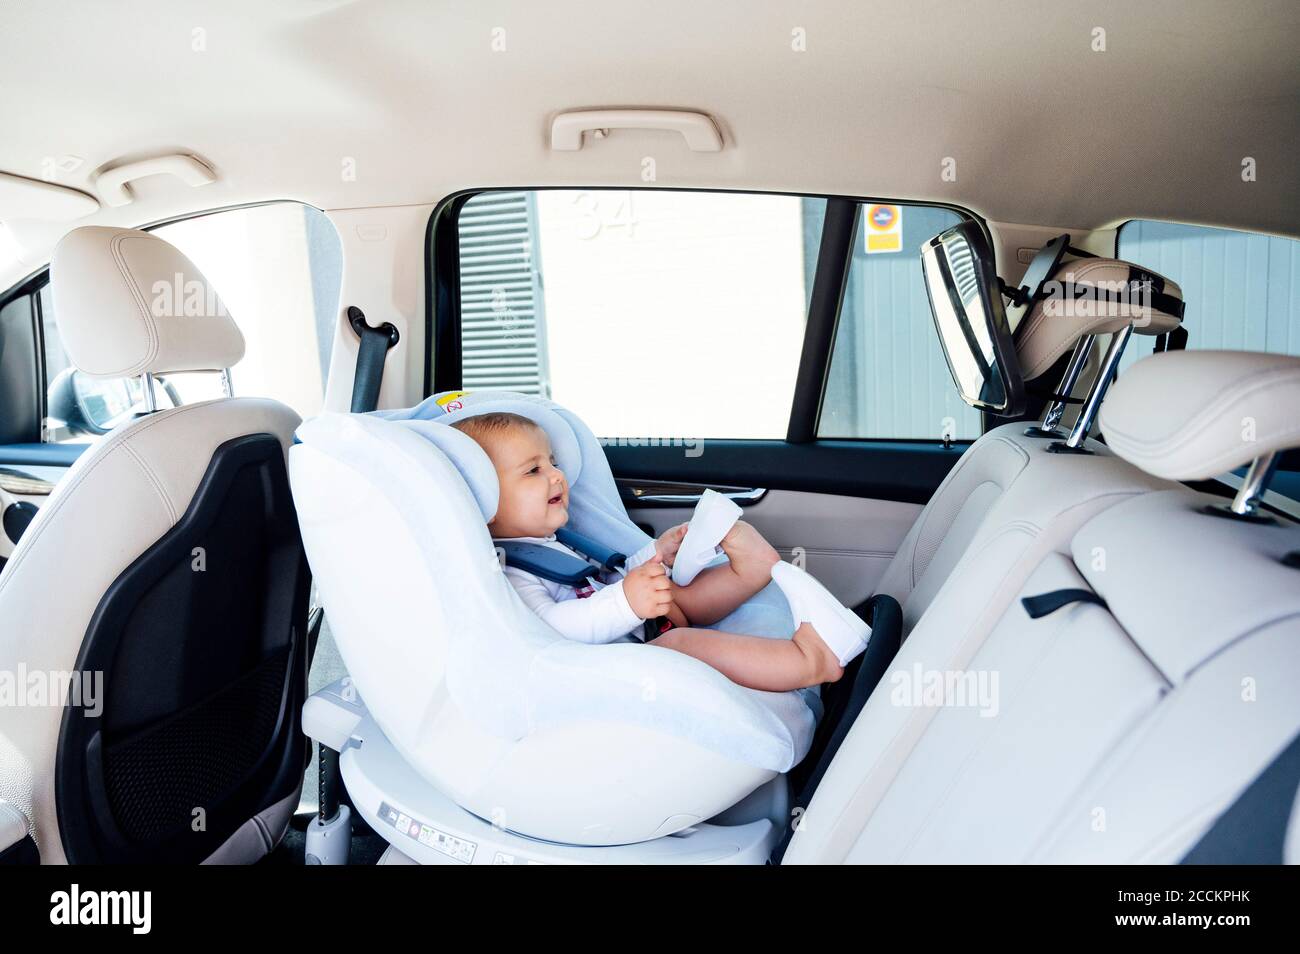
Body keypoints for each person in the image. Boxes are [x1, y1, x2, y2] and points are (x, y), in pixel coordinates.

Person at [451, 411, 872, 693]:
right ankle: (811, 659)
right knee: (684, 644)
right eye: (533, 470)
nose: (557, 475)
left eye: (553, 461)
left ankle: (753, 569)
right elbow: (552, 629)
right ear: (485, 504)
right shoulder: (509, 571)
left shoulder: (552, 541)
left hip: (640, 624)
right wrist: (626, 602)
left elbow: (599, 575)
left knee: (681, 596)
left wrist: (652, 555)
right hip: (615, 665)